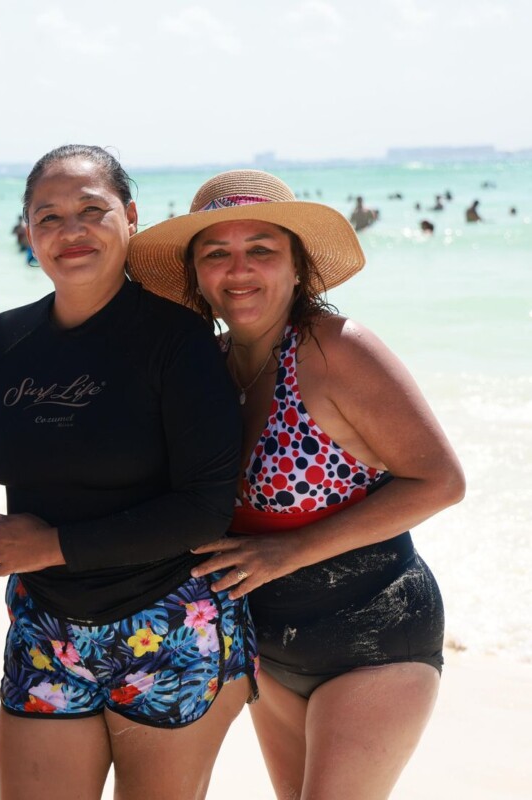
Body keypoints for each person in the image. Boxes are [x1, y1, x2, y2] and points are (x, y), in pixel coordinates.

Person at [127, 169, 465, 799]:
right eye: (216, 254)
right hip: (268, 650)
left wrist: (287, 552)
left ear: (298, 267)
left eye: (261, 249)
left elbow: (441, 482)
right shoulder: (208, 368)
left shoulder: (337, 350)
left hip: (377, 634)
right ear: (196, 276)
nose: (239, 270)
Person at [0, 145, 256, 799]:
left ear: (131, 218)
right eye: (48, 216)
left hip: (169, 624)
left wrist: (52, 546)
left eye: (91, 210)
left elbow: (203, 508)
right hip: (43, 627)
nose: (70, 231)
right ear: (27, 231)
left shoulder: (178, 341)